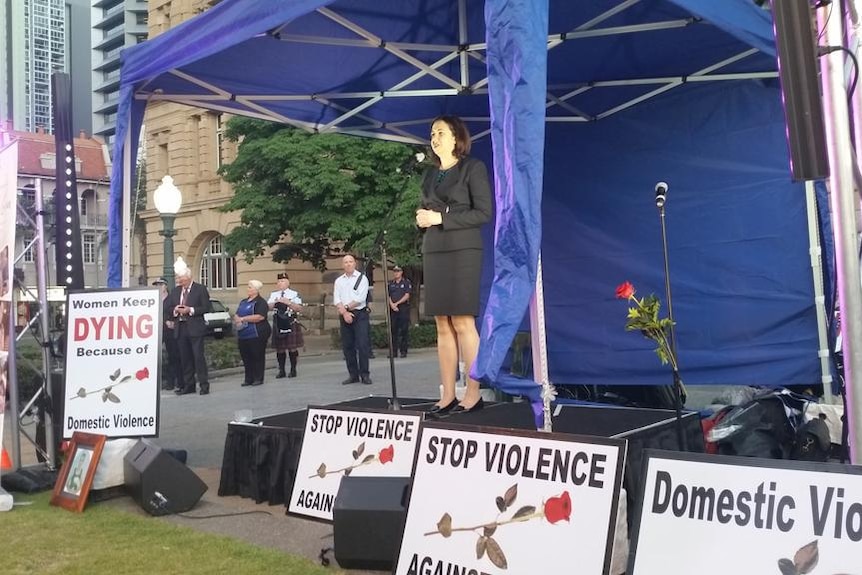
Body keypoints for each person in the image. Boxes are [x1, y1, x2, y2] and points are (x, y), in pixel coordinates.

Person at [416, 115, 492, 415]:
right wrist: (423, 219)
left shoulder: (472, 167)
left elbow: (483, 212)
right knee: (441, 324)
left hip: (463, 250)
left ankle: (473, 393)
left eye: (440, 132)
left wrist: (441, 218)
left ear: (455, 136)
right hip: (434, 248)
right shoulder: (429, 175)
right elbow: (427, 208)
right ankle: (447, 394)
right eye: (432, 132)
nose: (434, 137)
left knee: (462, 321)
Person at [168, 263, 212, 395]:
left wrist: (190, 310)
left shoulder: (200, 289)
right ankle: (189, 385)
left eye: (181, 278)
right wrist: (175, 310)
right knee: (185, 358)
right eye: (178, 278)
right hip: (180, 328)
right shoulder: (176, 291)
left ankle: (204, 385)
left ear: (188, 277)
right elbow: (168, 308)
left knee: (198, 357)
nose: (179, 281)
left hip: (195, 328)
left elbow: (206, 307)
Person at [333, 254, 372, 385]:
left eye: (350, 262)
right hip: (344, 314)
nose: (348, 264)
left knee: (362, 345)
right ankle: (353, 374)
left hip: (359, 314)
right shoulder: (339, 281)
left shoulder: (362, 279)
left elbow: (361, 298)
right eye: (346, 262)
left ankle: (365, 374)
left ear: (355, 263)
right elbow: (336, 299)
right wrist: (344, 313)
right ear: (343, 265)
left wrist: (346, 308)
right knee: (348, 346)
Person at [234, 280, 272, 387]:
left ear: (256, 289)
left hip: (257, 333)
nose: (248, 289)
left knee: (257, 356)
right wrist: (237, 318)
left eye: (250, 287)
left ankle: (258, 378)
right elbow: (237, 313)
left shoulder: (261, 302)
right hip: (243, 333)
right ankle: (248, 378)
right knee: (246, 357)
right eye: (248, 287)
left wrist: (243, 318)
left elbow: (260, 317)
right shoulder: (243, 301)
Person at [268, 272, 305, 378]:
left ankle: (293, 369)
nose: (280, 283)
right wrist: (277, 302)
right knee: (280, 347)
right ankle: (281, 370)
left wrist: (288, 303)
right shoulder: (274, 294)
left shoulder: (294, 294)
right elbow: (268, 307)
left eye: (283, 281)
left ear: (288, 282)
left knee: (292, 347)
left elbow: (299, 308)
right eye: (279, 281)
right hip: (278, 322)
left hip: (290, 321)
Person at [152, 277, 181, 391]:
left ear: (165, 286)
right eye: (156, 284)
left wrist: (173, 322)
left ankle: (172, 381)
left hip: (169, 330)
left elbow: (176, 312)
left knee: (173, 356)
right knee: (155, 357)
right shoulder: (153, 299)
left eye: (160, 284)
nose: (158, 286)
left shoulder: (172, 299)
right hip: (156, 331)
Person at [387, 265, 412, 358]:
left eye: (398, 271)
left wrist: (397, 303)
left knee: (404, 330)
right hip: (393, 309)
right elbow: (388, 295)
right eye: (395, 271)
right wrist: (392, 305)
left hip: (403, 309)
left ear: (401, 272)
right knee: (393, 331)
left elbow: (407, 295)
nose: (396, 273)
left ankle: (403, 351)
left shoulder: (406, 282)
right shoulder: (391, 283)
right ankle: (393, 352)